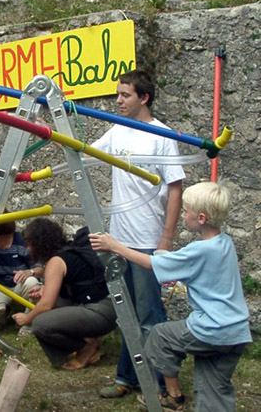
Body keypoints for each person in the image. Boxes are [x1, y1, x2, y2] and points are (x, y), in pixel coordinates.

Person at [90, 181, 252, 412]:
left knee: (160, 336)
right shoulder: (224, 242)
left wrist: (114, 246)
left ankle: (172, 396)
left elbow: (150, 264)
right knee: (213, 388)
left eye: (185, 211)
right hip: (236, 332)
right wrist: (168, 258)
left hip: (212, 329)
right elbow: (194, 267)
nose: (182, 215)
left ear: (201, 218)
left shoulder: (199, 250)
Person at [91, 69, 185, 397]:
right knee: (126, 313)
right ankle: (127, 378)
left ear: (144, 98)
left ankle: (159, 384)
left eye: (125, 95)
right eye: (117, 94)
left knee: (149, 316)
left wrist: (166, 240)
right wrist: (50, 128)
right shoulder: (118, 129)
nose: (118, 100)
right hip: (118, 239)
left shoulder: (162, 136)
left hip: (147, 241)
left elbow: (175, 188)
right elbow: (83, 151)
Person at [12, 218, 117, 370]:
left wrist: (27, 318)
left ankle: (86, 350)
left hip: (100, 312)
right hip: (110, 307)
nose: (28, 249)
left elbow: (46, 305)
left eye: (30, 244)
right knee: (56, 303)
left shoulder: (56, 262)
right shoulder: (69, 251)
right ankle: (89, 340)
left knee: (40, 324)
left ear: (39, 243)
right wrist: (44, 288)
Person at [0, 219, 43, 334]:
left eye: (7, 239)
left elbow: (40, 269)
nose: (3, 244)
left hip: (20, 283)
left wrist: (29, 272)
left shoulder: (22, 241)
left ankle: (28, 321)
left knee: (33, 283)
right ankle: (2, 316)